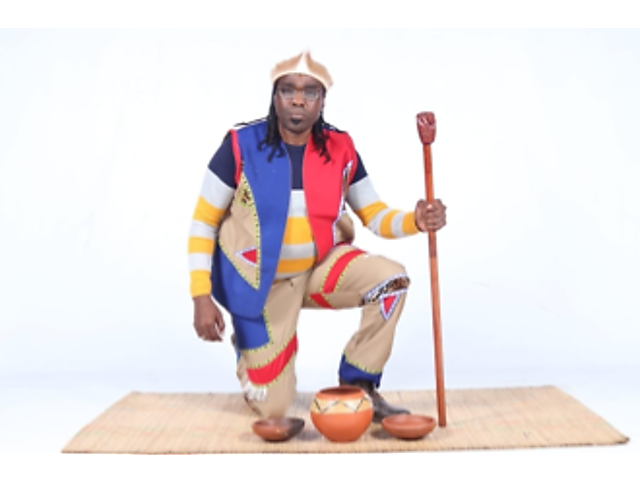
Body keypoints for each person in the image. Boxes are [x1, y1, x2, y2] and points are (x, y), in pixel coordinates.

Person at [188, 51, 447, 422]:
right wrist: (201, 295)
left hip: (320, 268)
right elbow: (204, 223)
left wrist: (416, 221)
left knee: (391, 280)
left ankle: (359, 384)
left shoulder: (340, 147)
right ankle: (252, 345)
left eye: (310, 91)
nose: (298, 100)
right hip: (261, 285)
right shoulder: (238, 145)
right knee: (274, 408)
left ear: (323, 100)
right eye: (288, 90)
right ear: (274, 96)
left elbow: (374, 214)